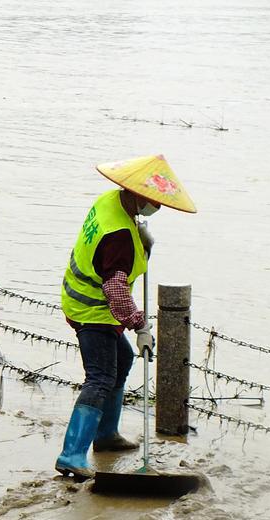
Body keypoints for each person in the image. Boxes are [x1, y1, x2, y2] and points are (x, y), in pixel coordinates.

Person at [55, 155, 196, 479]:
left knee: (121, 357)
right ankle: (72, 455)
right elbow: (115, 290)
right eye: (152, 202)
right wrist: (140, 325)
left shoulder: (110, 201)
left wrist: (140, 237)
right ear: (135, 195)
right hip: (94, 309)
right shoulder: (119, 235)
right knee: (100, 378)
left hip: (78, 295)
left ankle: (105, 436)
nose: (156, 208)